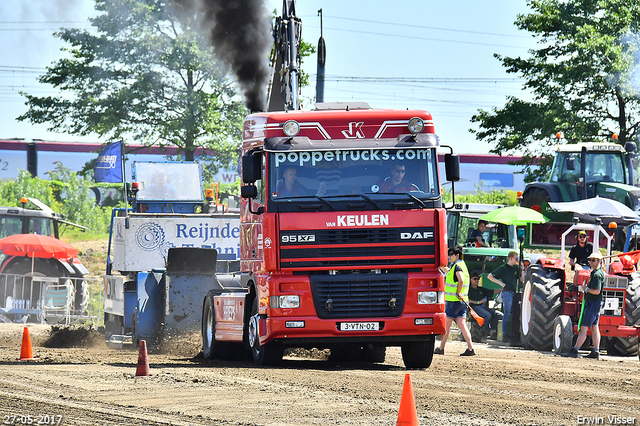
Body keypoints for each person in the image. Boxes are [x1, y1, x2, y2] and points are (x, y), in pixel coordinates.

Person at [434, 246, 476, 356]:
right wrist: (441, 265)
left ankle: (441, 348)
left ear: (457, 255)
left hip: (454, 301)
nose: (449, 257)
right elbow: (450, 272)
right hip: (462, 302)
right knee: (462, 324)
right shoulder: (461, 265)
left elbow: (461, 279)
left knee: (446, 326)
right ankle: (470, 348)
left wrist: (458, 292)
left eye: (451, 254)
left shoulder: (457, 266)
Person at [563, 251, 604, 359]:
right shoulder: (597, 273)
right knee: (595, 328)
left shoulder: (596, 274)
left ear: (599, 261)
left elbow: (597, 291)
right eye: (590, 259)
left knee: (584, 328)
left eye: (593, 260)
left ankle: (575, 349)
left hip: (592, 304)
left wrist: (586, 289)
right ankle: (595, 351)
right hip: (595, 303)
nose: (590, 262)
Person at [487, 251, 524, 343]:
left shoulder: (516, 268)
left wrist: (522, 269)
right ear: (510, 258)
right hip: (507, 292)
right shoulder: (503, 268)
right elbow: (490, 276)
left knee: (514, 313)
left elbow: (522, 279)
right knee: (507, 313)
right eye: (516, 258)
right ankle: (505, 335)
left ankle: (513, 334)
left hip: (514, 292)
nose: (517, 260)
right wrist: (500, 283)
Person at [468, 271, 503, 341]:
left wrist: (503, 289)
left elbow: (493, 291)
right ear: (470, 279)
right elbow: (467, 300)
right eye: (475, 279)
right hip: (475, 307)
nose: (477, 280)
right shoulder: (468, 289)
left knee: (500, 315)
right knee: (488, 315)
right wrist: (478, 302)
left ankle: (493, 330)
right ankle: (485, 331)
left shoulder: (481, 289)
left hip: (484, 307)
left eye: (478, 279)